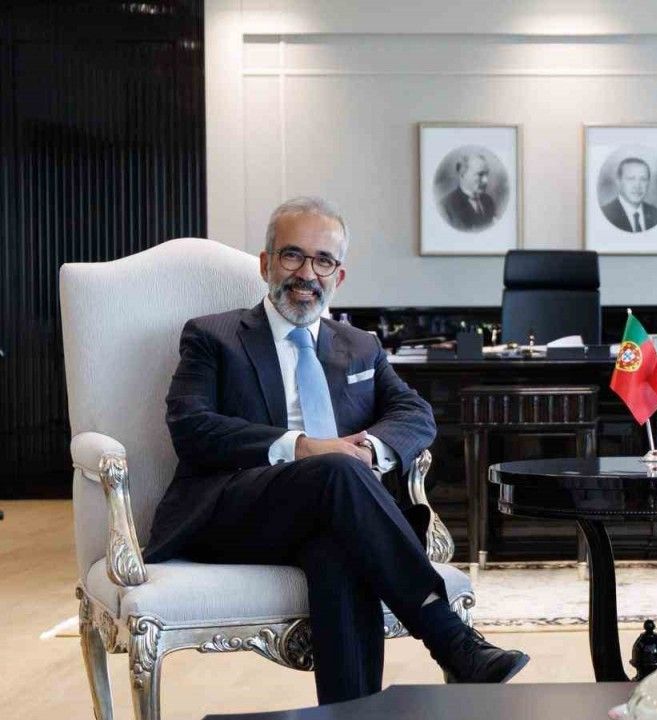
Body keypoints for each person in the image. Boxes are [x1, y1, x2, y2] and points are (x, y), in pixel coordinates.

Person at [145, 197, 528, 704]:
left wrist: (369, 450)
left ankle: (354, 714)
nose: (307, 273)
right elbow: (191, 426)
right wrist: (302, 448)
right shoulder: (214, 336)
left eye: (323, 261)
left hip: (335, 510)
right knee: (335, 473)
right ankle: (448, 637)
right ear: (265, 263)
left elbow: (415, 414)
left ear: (338, 276)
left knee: (339, 545)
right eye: (292, 255)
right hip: (235, 511)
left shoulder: (360, 345)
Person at [601, 157, 657, 232]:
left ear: (648, 183)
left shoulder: (656, 214)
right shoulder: (606, 214)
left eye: (643, 179)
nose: (637, 186)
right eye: (631, 179)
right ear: (618, 182)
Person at [441, 153, 496, 231]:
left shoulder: (488, 200)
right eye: (480, 174)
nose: (485, 181)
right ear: (462, 175)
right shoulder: (446, 206)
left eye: (486, 174)